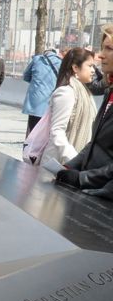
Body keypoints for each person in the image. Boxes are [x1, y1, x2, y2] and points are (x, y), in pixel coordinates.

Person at [56, 26, 113, 198]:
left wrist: (83, 178)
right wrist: (69, 167)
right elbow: (95, 143)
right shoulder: (109, 92)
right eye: (103, 47)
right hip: (92, 191)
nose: (101, 55)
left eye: (109, 49)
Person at [24, 48, 96, 166]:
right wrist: (74, 159)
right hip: (58, 164)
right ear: (75, 68)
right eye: (90, 66)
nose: (93, 70)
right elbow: (57, 131)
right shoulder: (66, 93)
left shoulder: (84, 93)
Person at [21, 45, 62, 136]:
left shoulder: (37, 60)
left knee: (32, 128)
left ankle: (29, 147)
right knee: (45, 130)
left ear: (45, 53)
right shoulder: (60, 62)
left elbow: (26, 76)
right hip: (50, 101)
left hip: (35, 102)